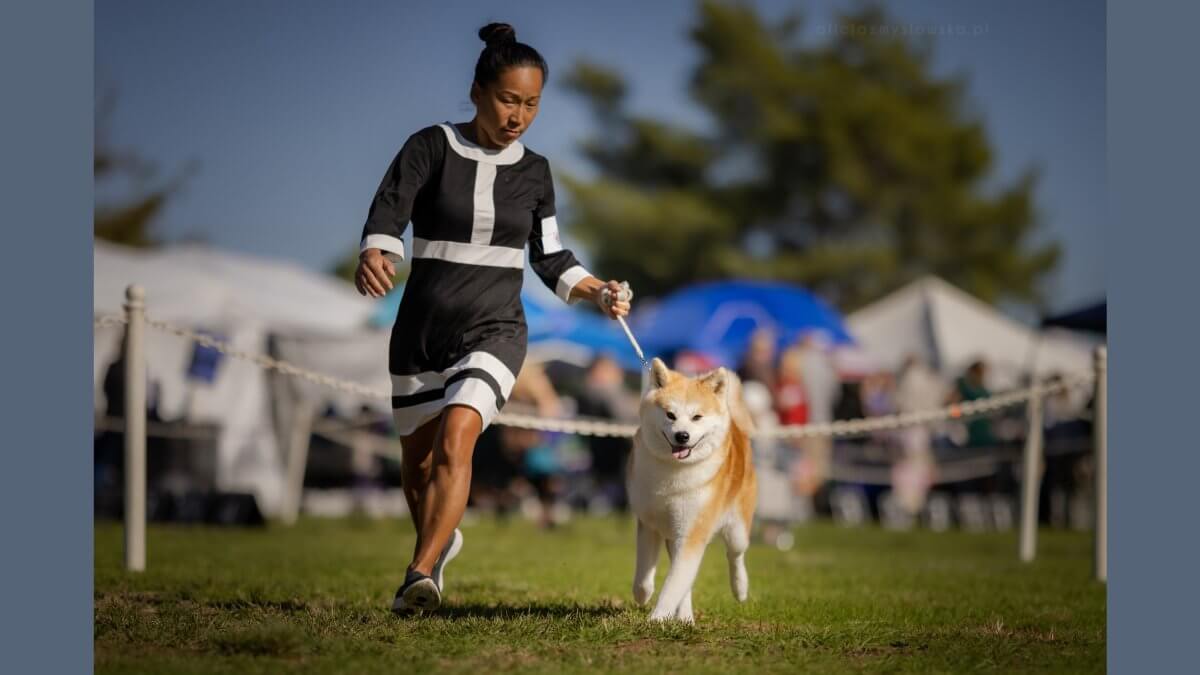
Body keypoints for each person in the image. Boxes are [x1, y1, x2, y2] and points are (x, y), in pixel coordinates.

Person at [353, 23, 632, 614]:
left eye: (531, 104)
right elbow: (388, 212)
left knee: (459, 436)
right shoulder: (429, 147)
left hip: (495, 330)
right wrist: (376, 251)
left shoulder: (537, 172)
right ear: (478, 90)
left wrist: (599, 290)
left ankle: (419, 576)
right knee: (419, 466)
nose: (518, 116)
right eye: (509, 99)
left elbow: (551, 256)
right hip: (420, 333)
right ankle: (439, 538)